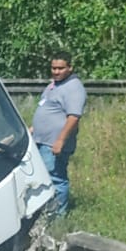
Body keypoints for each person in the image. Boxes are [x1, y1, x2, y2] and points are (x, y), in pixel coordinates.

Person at [31, 52, 86, 217]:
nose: (56, 71)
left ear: (70, 68)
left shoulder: (74, 87)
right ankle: (44, 213)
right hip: (40, 140)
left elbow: (74, 117)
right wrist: (31, 130)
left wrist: (60, 140)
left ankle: (58, 217)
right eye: (53, 68)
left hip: (53, 143)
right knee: (42, 178)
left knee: (56, 178)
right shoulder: (53, 85)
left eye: (60, 68)